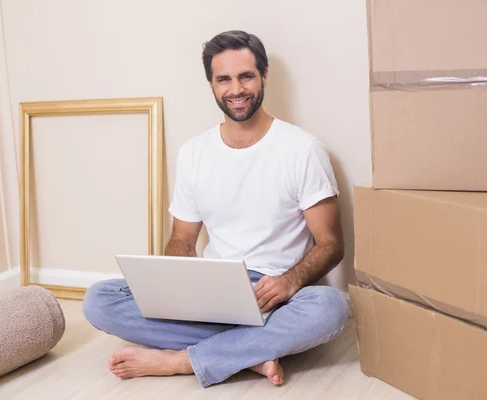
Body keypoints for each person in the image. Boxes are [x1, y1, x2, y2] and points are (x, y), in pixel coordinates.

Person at [82, 30, 349, 388]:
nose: (236, 89)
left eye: (246, 76)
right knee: (98, 299)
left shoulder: (302, 149)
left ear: (264, 76)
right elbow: (181, 240)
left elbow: (331, 243)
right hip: (213, 290)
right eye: (224, 79)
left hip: (276, 295)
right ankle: (247, 352)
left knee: (330, 307)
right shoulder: (194, 153)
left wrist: (290, 281)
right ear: (211, 84)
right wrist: (176, 289)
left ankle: (182, 360)